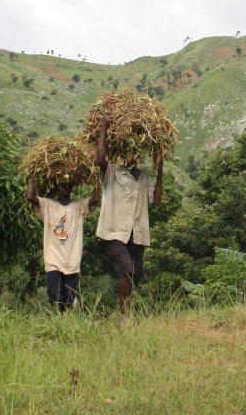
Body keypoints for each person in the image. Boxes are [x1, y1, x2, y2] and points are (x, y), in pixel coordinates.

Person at [95, 112, 164, 326]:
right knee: (127, 269)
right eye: (130, 151)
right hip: (115, 231)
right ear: (124, 153)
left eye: (137, 152)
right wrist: (104, 127)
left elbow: (156, 201)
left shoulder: (144, 177)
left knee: (136, 274)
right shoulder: (114, 173)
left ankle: (125, 311)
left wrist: (161, 171)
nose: (135, 155)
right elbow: (99, 158)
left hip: (138, 233)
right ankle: (123, 315)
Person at [26, 178, 100, 312]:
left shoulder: (79, 205)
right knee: (54, 294)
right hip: (53, 258)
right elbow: (30, 197)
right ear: (57, 185)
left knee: (69, 298)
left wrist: (95, 177)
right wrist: (33, 176)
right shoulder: (47, 204)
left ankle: (65, 323)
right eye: (62, 183)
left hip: (72, 260)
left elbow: (95, 199)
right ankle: (58, 319)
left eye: (69, 184)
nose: (66, 186)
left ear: (72, 187)